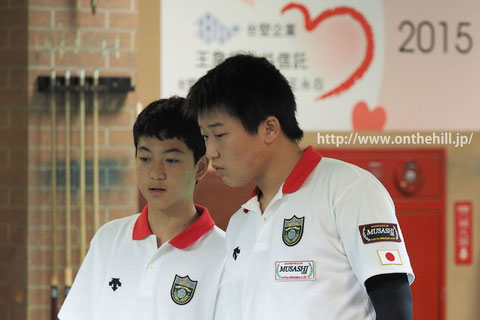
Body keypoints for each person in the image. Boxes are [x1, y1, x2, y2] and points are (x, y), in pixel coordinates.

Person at [185, 54, 414, 320]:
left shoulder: (348, 190)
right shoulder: (240, 224)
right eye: (205, 137)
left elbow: (395, 308)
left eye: (220, 135)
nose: (210, 151)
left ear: (269, 128)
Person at [58, 97, 225, 320]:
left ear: (201, 167)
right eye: (145, 158)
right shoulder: (108, 240)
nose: (155, 173)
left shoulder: (224, 255)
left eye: (171, 160)